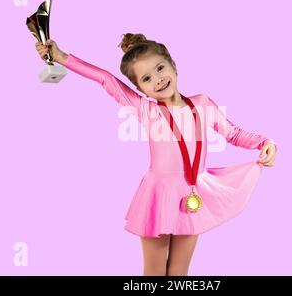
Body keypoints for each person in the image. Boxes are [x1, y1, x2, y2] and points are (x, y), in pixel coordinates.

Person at [34, 33, 277, 276]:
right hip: (157, 196)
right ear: (141, 89)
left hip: (193, 193)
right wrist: (61, 57)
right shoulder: (145, 109)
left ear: (174, 65)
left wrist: (264, 142)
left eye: (160, 68)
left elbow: (232, 133)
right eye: (147, 78)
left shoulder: (202, 104)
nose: (158, 80)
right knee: (154, 271)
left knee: (180, 270)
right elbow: (106, 79)